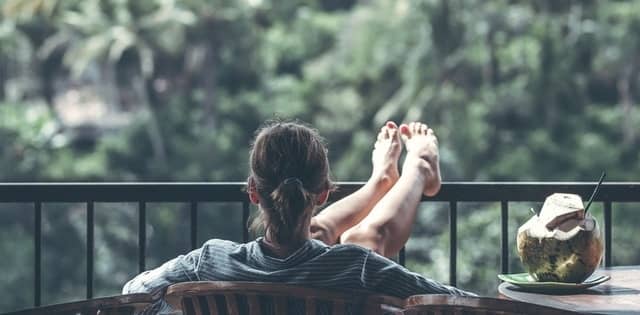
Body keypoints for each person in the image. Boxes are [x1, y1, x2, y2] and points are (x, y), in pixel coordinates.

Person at [123, 120, 475, 314]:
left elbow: (134, 292)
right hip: (339, 260)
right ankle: (411, 168)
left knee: (338, 237)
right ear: (323, 193)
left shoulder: (210, 261)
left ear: (252, 191)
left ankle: (384, 180)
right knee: (359, 240)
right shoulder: (357, 267)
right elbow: (452, 303)